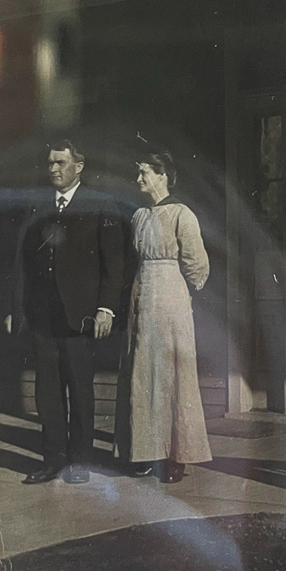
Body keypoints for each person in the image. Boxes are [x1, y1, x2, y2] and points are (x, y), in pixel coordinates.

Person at [8, 141, 126, 485]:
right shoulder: (38, 204)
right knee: (47, 392)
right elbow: (22, 262)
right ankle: (52, 460)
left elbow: (113, 264)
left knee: (80, 390)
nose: (54, 169)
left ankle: (79, 462)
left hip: (82, 316)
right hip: (43, 315)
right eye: (50, 163)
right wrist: (16, 308)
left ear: (79, 165)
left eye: (60, 162)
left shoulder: (100, 205)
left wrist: (106, 308)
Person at [114, 152, 212, 484]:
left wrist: (184, 293)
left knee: (172, 374)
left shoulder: (181, 214)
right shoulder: (139, 216)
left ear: (162, 175)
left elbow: (196, 262)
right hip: (142, 298)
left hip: (171, 297)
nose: (138, 179)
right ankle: (145, 451)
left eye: (143, 172)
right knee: (143, 371)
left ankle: (176, 455)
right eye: (138, 172)